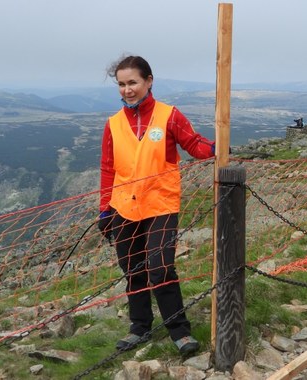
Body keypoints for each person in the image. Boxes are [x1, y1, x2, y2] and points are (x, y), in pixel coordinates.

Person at [98, 55, 215, 355]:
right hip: (123, 207)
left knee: (161, 268)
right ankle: (140, 327)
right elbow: (108, 169)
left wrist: (216, 148)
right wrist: (104, 210)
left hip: (161, 204)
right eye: (122, 84)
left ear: (149, 81)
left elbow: (193, 144)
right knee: (132, 270)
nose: (127, 89)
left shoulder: (169, 115)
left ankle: (179, 330)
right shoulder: (112, 124)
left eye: (133, 82)